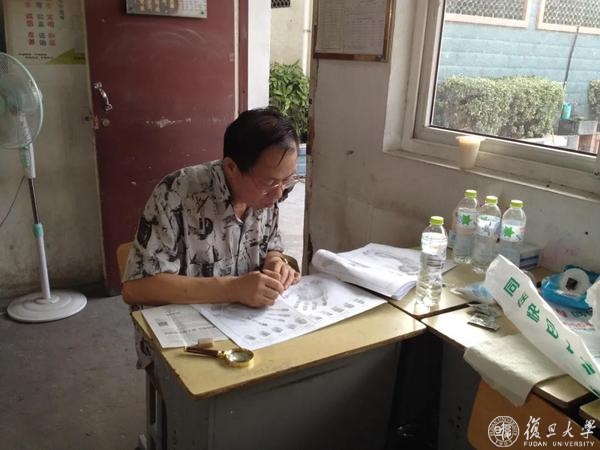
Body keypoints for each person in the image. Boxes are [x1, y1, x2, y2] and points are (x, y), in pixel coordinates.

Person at [122, 108, 301, 308]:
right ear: (231, 168)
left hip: (244, 321)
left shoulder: (270, 194)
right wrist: (233, 289)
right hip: (186, 321)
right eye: (269, 182)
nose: (278, 195)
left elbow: (270, 247)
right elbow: (136, 288)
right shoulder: (176, 193)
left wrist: (275, 262)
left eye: (287, 180)